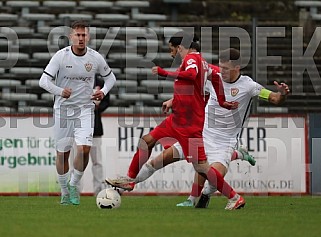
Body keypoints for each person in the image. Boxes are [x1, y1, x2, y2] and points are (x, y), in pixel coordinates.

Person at [125, 48, 290, 208]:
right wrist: (172, 101)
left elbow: (275, 99)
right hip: (201, 134)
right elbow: (192, 91)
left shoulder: (249, 86)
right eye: (220, 66)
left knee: (213, 177)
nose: (221, 71)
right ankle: (126, 184)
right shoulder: (212, 79)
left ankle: (213, 184)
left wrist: (282, 94)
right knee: (159, 160)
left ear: (237, 68)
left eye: (226, 68)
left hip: (225, 142)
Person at [107, 31, 246, 210]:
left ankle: (234, 197)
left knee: (202, 167)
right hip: (176, 119)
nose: (171, 53)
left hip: (189, 125)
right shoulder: (202, 62)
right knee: (146, 141)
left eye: (171, 49)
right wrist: (222, 102)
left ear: (179, 47)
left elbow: (189, 75)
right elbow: (216, 78)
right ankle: (130, 180)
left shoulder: (191, 60)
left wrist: (164, 72)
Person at [39, 20, 116, 205]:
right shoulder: (61, 56)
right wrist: (59, 91)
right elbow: (43, 81)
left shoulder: (95, 57)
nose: (81, 38)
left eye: (84, 35)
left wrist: (102, 92)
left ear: (88, 36)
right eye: (77, 35)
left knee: (84, 149)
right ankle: (65, 191)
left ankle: (73, 185)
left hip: (85, 110)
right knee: (63, 154)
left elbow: (111, 78)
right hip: (63, 111)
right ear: (71, 37)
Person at [90, 76, 110, 196]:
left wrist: (97, 107)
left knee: (97, 161)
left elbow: (107, 101)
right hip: (77, 126)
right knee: (76, 162)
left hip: (95, 127)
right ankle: (74, 191)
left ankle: (98, 190)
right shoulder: (75, 78)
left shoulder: (100, 82)